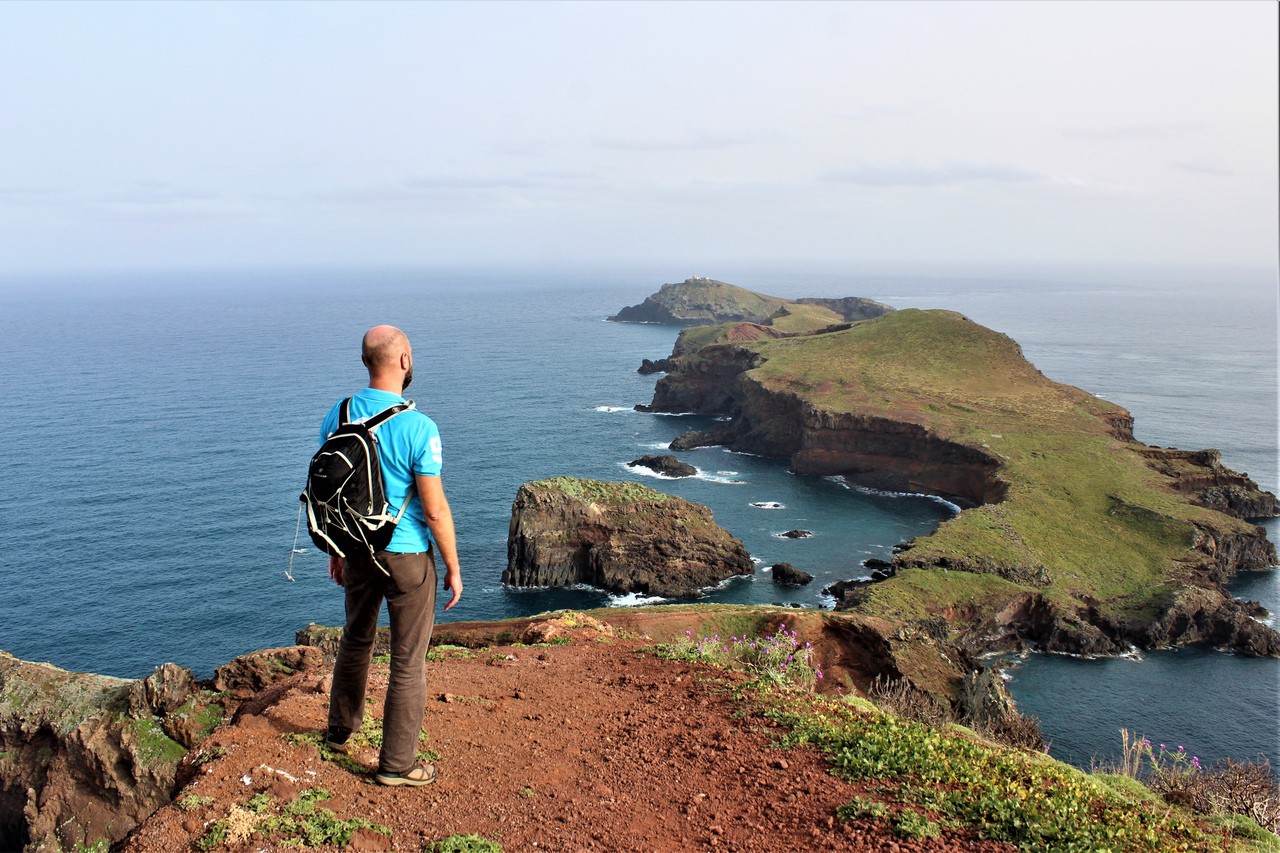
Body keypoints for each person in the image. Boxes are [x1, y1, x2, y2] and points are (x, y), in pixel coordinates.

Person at [321, 324, 462, 787]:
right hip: (406, 557)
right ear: (403, 360)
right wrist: (453, 567)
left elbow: (331, 492)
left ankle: (340, 731)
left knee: (356, 639)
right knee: (407, 660)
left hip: (357, 551)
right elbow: (435, 511)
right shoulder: (420, 427)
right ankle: (398, 764)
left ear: (367, 361)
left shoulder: (337, 414)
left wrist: (338, 549)